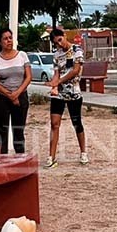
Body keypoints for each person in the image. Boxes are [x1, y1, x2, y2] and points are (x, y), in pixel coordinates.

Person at [45, 29, 88, 168]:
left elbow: (75, 70)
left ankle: (83, 152)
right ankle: (51, 156)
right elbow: (56, 72)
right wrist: (54, 85)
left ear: (64, 36)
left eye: (60, 40)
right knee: (54, 123)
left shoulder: (77, 50)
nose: (59, 44)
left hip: (74, 92)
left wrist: (59, 81)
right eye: (56, 42)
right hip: (60, 94)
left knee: (76, 123)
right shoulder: (57, 55)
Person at [0, 28, 32, 154]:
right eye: (5, 38)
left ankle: (20, 159)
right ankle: (2, 160)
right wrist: (9, 95)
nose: (9, 41)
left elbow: (28, 77)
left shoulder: (22, 55)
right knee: (1, 131)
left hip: (21, 96)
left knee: (19, 130)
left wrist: (17, 93)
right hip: (2, 98)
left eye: (10, 37)